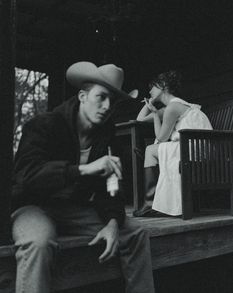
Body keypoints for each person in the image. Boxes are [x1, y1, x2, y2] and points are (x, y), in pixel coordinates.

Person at [11, 61, 155, 293]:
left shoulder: (106, 136)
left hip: (74, 209)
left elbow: (112, 187)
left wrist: (112, 222)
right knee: (38, 242)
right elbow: (26, 177)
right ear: (82, 96)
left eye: (113, 101)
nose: (107, 106)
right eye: (101, 97)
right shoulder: (44, 125)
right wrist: (83, 170)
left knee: (135, 233)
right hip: (33, 207)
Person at [133, 70, 212, 217]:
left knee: (150, 150)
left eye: (152, 87)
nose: (149, 90)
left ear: (163, 86)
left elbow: (162, 138)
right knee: (152, 150)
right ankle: (152, 203)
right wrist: (149, 105)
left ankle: (150, 204)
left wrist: (156, 114)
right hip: (191, 145)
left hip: (193, 149)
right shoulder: (172, 107)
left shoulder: (173, 107)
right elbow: (140, 119)